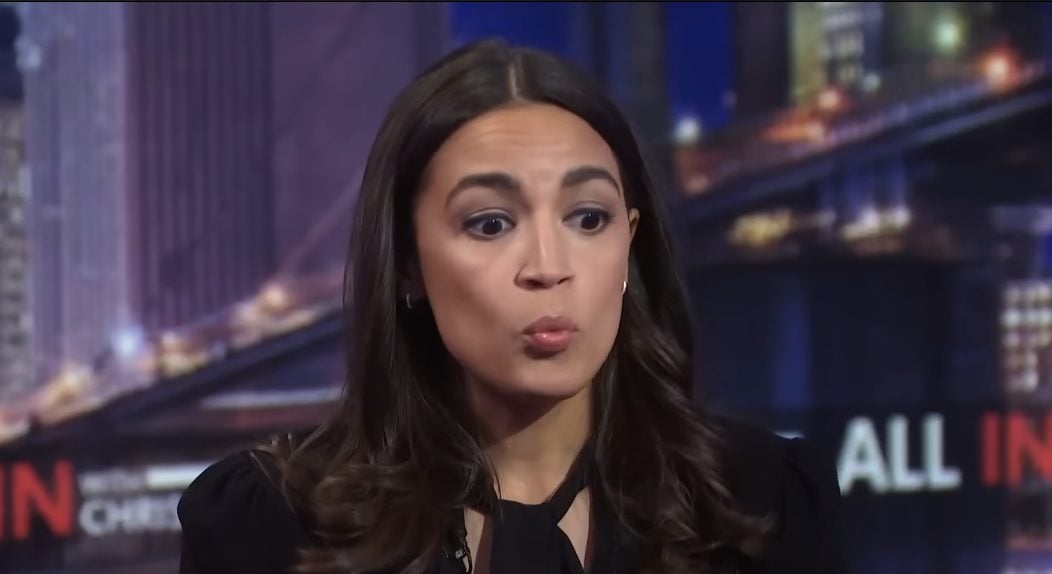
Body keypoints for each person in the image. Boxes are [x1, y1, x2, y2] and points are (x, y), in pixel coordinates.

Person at [177, 39, 846, 574]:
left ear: (630, 245)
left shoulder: (763, 504)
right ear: (408, 262)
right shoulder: (271, 523)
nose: (549, 267)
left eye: (588, 218)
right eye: (491, 224)